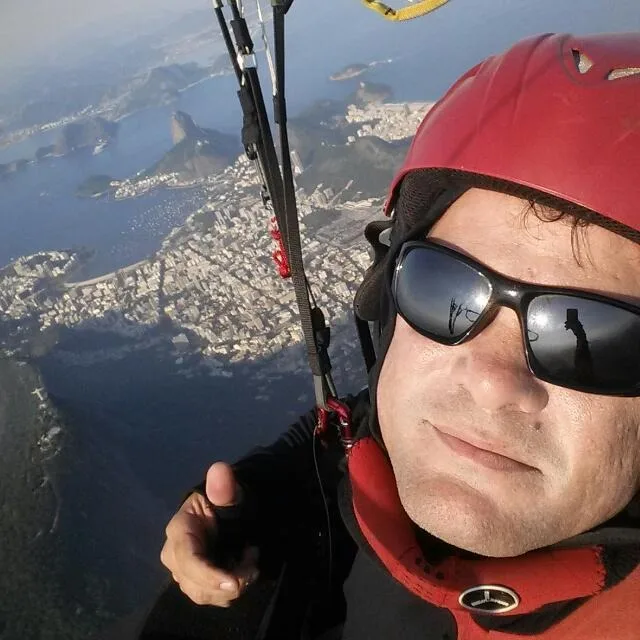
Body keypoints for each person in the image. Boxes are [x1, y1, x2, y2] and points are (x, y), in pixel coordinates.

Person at [159, 32, 640, 639]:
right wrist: (267, 501)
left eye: (589, 337)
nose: (491, 381)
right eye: (446, 290)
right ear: (389, 296)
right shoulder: (375, 476)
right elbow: (354, 430)